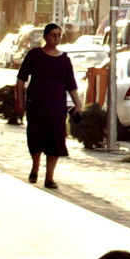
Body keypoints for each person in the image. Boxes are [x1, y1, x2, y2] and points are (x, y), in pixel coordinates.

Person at [16, 22, 79, 190]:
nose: (56, 38)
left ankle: (49, 177)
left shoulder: (64, 60)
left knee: (55, 140)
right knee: (35, 138)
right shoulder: (34, 55)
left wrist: (78, 103)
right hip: (36, 105)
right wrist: (19, 101)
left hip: (57, 107)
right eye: (53, 35)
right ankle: (35, 166)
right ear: (45, 37)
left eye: (59, 35)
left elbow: (71, 84)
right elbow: (21, 79)